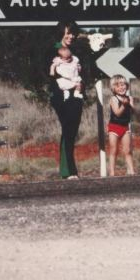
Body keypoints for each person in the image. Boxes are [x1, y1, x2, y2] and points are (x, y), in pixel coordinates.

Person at [48, 40, 83, 179]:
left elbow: (79, 73)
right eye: (63, 49)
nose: (66, 51)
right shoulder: (56, 62)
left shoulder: (75, 60)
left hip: (76, 95)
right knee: (68, 132)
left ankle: (69, 170)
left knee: (71, 133)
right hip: (63, 96)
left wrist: (80, 86)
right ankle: (69, 170)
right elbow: (52, 76)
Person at [107, 74, 135, 176]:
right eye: (118, 86)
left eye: (123, 85)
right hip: (114, 127)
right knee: (114, 150)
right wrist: (124, 105)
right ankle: (112, 172)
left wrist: (129, 104)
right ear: (113, 88)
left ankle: (132, 171)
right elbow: (117, 113)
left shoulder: (129, 98)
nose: (121, 88)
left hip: (125, 127)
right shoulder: (113, 99)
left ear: (126, 86)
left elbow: (133, 111)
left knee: (127, 150)